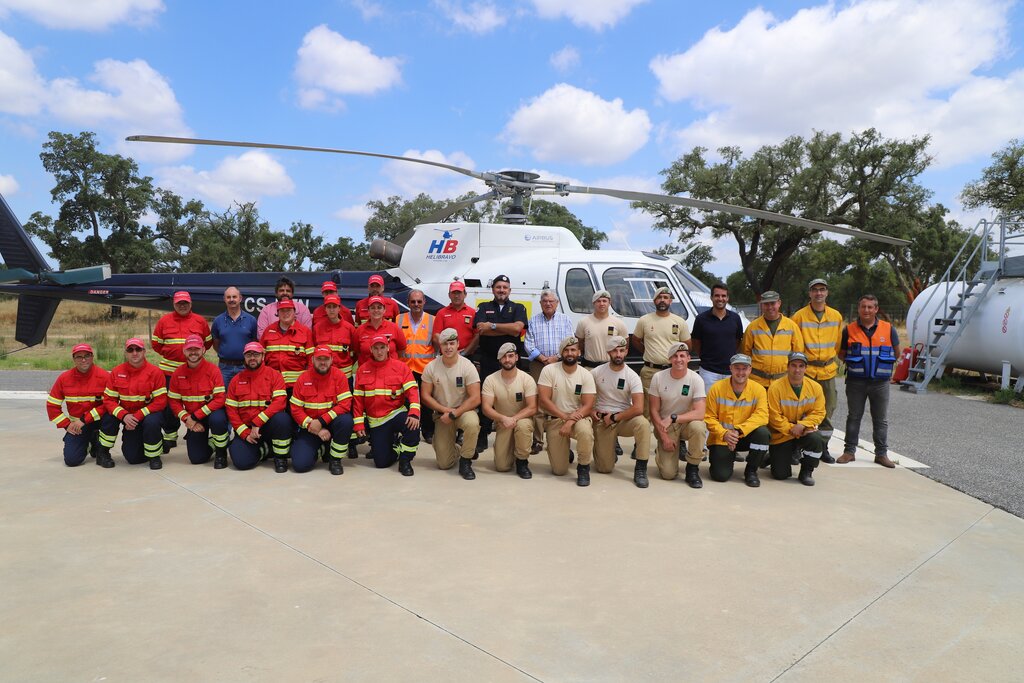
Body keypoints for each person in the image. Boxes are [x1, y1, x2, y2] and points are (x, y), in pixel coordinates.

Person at [837, 294, 899, 468]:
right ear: (859, 308)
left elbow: (897, 352)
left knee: (881, 419)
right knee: (854, 417)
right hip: (856, 382)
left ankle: (881, 454)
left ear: (876, 309)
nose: (866, 310)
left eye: (870, 307)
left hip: (880, 383)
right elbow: (841, 353)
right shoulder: (848, 330)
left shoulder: (888, 329)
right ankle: (849, 452)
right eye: (863, 307)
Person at [151, 290, 212, 453]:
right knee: (170, 405)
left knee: (196, 400)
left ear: (191, 304)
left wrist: (194, 360)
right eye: (179, 303)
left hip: (195, 370)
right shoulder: (164, 321)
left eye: (185, 303)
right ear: (174, 304)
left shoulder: (200, 321)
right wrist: (172, 353)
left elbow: (207, 343)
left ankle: (193, 427)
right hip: (170, 371)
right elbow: (156, 344)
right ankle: (170, 436)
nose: (182, 305)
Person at [473, 274, 528, 453]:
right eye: (498, 287)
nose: (501, 290)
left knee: (511, 398)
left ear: (509, 290)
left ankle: (510, 431)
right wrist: (506, 329)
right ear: (493, 290)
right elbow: (481, 329)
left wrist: (493, 326)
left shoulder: (518, 307)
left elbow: (517, 329)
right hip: (489, 361)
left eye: (505, 287)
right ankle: (483, 434)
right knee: (486, 398)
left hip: (510, 363)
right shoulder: (484, 307)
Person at [352, 335, 421, 475]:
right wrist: (358, 424)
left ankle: (405, 460)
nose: (379, 352)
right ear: (371, 349)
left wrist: (414, 413)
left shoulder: (400, 367)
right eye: (376, 348)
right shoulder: (363, 369)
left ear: (388, 348)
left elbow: (413, 392)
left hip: (395, 413)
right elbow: (358, 399)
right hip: (377, 421)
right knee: (381, 463)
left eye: (382, 347)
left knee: (413, 425)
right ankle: (395, 446)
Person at [591, 335, 651, 488]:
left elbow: (638, 407)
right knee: (604, 468)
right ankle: (608, 452)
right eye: (615, 351)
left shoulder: (632, 376)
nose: (618, 354)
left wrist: (616, 417)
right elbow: (585, 396)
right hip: (603, 420)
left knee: (643, 424)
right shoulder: (596, 373)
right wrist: (592, 411)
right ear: (608, 352)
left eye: (622, 350)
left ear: (626, 352)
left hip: (624, 419)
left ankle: (641, 468)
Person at [421, 328, 481, 480]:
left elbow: (475, 398)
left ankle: (466, 461)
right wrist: (445, 410)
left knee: (473, 423)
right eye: (445, 344)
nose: (448, 347)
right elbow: (425, 396)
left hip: (464, 411)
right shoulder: (431, 367)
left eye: (452, 343)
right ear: (439, 346)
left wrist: (454, 413)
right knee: (444, 464)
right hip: (442, 415)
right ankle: (458, 448)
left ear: (458, 344)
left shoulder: (467, 366)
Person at [224, 342, 293, 472]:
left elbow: (280, 402)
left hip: (267, 427)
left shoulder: (274, 376)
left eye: (256, 354)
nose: (252, 358)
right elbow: (231, 411)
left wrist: (258, 421)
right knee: (241, 463)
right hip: (247, 429)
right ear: (244, 357)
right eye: (249, 355)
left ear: (263, 356)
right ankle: (267, 450)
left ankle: (280, 457)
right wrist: (245, 433)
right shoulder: (236, 380)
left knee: (282, 419)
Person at [647, 342, 709, 488]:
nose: (678, 359)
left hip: (686, 423)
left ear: (688, 358)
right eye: (674, 356)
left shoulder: (696, 379)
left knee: (699, 427)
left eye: (682, 356)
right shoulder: (658, 377)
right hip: (665, 427)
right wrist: (664, 437)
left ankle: (692, 468)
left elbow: (700, 412)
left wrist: (674, 417)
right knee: (668, 474)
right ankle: (663, 450)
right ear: (669, 359)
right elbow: (653, 410)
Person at [100, 338, 168, 469]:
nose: (134, 353)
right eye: (130, 350)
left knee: (152, 421)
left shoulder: (155, 372)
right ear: (126, 353)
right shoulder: (116, 372)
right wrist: (124, 416)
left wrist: (137, 416)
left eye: (138, 349)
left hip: (147, 415)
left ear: (144, 352)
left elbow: (161, 401)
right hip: (127, 417)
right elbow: (109, 400)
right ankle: (102, 452)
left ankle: (154, 456)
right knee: (133, 458)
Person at [704, 353, 770, 487]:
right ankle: (728, 456)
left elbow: (762, 415)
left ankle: (751, 471)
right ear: (731, 369)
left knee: (763, 434)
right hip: (722, 438)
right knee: (720, 476)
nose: (741, 372)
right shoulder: (716, 389)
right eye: (737, 368)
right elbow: (709, 418)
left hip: (744, 436)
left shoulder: (759, 390)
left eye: (744, 368)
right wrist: (725, 434)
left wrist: (738, 430)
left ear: (750, 370)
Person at [537, 336, 596, 487]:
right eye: (566, 350)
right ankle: (565, 451)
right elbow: (544, 400)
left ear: (579, 352)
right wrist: (564, 417)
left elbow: (588, 405)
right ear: (561, 353)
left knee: (585, 431)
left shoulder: (586, 374)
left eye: (573, 350)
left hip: (578, 417)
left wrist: (569, 421)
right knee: (559, 470)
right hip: (555, 418)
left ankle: (583, 467)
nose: (570, 353)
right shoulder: (549, 370)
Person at [289, 345, 354, 475]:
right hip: (310, 428)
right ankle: (323, 449)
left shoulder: (339, 376)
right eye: (319, 359)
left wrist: (321, 421)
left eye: (326, 359)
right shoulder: (303, 378)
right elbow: (295, 409)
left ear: (331, 360)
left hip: (332, 425)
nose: (323, 362)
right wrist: (313, 426)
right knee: (300, 465)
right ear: (312, 360)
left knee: (346, 421)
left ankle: (335, 460)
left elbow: (345, 404)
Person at [524, 289, 574, 455]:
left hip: (560, 364)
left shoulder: (565, 320)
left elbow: (569, 342)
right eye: (545, 301)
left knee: (559, 399)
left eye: (551, 301)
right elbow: (528, 344)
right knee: (539, 403)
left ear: (557, 303)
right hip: (539, 365)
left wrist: (556, 357)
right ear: (540, 303)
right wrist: (543, 358)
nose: (548, 304)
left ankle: (559, 436)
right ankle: (537, 440)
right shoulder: (533, 321)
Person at [168, 334, 229, 468]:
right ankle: (213, 443)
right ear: (184, 351)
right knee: (196, 458)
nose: (193, 352)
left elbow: (220, 399)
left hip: (211, 414)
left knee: (218, 419)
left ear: (203, 350)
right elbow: (174, 402)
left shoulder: (213, 370)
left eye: (197, 349)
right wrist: (187, 419)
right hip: (193, 419)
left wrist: (195, 417)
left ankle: (221, 452)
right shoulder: (178, 373)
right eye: (190, 349)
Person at [46, 343, 111, 468]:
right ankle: (90, 442)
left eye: (87, 356)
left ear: (92, 357)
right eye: (79, 357)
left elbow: (110, 404)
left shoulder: (104, 377)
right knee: (72, 460)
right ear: (74, 359)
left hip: (99, 422)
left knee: (111, 418)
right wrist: (67, 425)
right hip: (77, 426)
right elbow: (52, 405)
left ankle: (102, 448)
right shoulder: (64, 379)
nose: (83, 359)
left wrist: (84, 419)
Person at [767, 352, 826, 486]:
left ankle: (806, 472)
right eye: (793, 365)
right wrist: (793, 429)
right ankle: (772, 457)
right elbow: (773, 416)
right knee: (780, 475)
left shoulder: (815, 387)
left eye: (801, 366)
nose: (797, 370)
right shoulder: (775, 387)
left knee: (816, 440)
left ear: (806, 368)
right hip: (782, 434)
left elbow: (819, 412)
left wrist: (803, 425)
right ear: (787, 367)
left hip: (804, 431)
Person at [632, 286, 691, 418]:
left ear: (670, 301)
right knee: (647, 410)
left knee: (672, 406)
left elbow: (687, 346)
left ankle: (671, 437)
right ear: (654, 301)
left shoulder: (679, 322)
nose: (662, 300)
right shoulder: (644, 320)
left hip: (673, 371)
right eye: (659, 297)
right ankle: (644, 438)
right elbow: (636, 340)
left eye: (666, 297)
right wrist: (648, 352)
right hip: (650, 371)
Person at [480, 343, 537, 479]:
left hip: (522, 420)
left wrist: (514, 419)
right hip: (502, 423)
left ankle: (522, 461)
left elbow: (532, 407)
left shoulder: (526, 379)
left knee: (523, 426)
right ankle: (507, 450)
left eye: (511, 356)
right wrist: (503, 419)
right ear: (499, 360)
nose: (507, 360)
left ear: (517, 357)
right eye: (504, 357)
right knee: (502, 466)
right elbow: (486, 408)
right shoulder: (491, 379)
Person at [741, 290, 804, 389]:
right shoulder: (753, 327)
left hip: (783, 381)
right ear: (761, 305)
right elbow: (745, 353)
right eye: (766, 304)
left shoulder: (791, 326)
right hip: (757, 382)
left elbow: (798, 353)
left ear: (779, 303)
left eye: (772, 303)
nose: (770, 307)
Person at [397, 289, 437, 443]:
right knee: (405, 402)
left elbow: (436, 344)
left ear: (424, 302)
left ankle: (428, 431)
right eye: (413, 301)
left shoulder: (433, 320)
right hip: (405, 369)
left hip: (425, 369)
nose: (416, 304)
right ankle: (408, 430)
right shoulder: (399, 319)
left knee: (426, 402)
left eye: (419, 301)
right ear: (408, 303)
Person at [689, 283, 744, 388]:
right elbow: (696, 342)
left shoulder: (735, 318)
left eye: (723, 296)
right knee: (708, 403)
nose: (720, 298)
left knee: (729, 404)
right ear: (711, 297)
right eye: (717, 295)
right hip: (708, 372)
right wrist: (706, 357)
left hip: (730, 371)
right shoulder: (701, 319)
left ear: (727, 298)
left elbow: (737, 341)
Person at [260, 298, 313, 389]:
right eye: (282, 311)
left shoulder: (305, 332)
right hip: (272, 383)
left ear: (294, 312)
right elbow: (261, 358)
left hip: (297, 385)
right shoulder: (268, 331)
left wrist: (308, 382)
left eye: (288, 310)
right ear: (278, 313)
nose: (285, 313)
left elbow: (312, 360)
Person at [210, 286, 258, 386]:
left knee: (245, 396)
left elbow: (255, 342)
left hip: (245, 366)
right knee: (223, 397)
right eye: (228, 297)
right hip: (224, 368)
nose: (231, 299)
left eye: (234, 297)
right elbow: (216, 343)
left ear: (240, 298)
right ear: (224, 299)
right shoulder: (218, 321)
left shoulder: (251, 320)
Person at [575, 290, 629, 369]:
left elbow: (625, 346)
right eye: (598, 301)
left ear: (609, 303)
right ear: (593, 303)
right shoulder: (583, 322)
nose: (602, 304)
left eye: (604, 301)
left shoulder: (619, 323)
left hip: (610, 368)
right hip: (590, 367)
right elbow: (579, 344)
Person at [312, 293, 357, 379]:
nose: (332, 310)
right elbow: (314, 351)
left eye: (334, 307)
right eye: (329, 307)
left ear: (339, 308)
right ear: (325, 309)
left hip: (345, 377)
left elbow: (355, 353)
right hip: (323, 375)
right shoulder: (317, 328)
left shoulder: (349, 328)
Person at [354, 296, 407, 365]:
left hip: (390, 372)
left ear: (384, 310)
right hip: (367, 372)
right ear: (368, 310)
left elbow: (401, 350)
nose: (376, 310)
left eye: (379, 307)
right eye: (373, 308)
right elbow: (357, 352)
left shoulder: (394, 328)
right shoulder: (359, 330)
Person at [432, 280, 479, 355]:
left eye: (459, 293)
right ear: (449, 295)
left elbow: (477, 336)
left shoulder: (473, 313)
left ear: (465, 294)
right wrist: (448, 351)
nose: (456, 296)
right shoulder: (441, 313)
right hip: (446, 355)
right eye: (454, 293)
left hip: (467, 356)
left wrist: (464, 353)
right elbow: (436, 336)